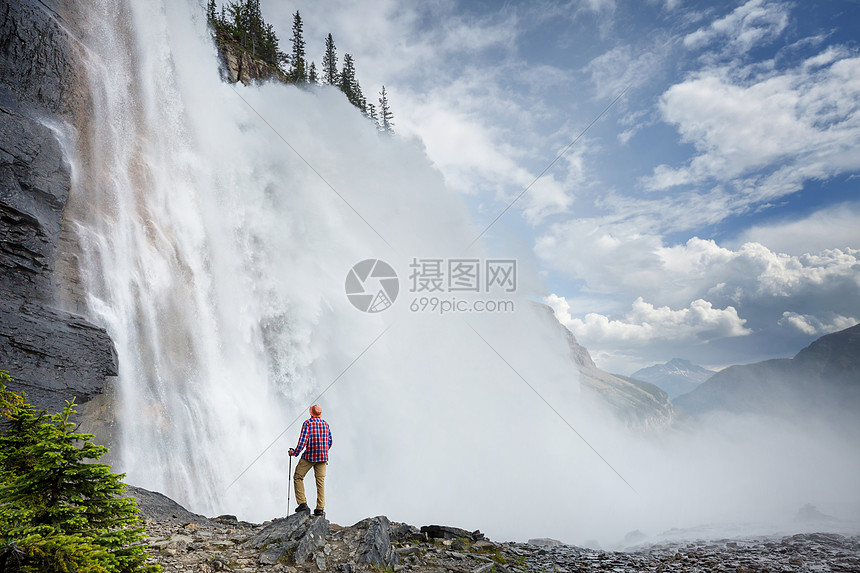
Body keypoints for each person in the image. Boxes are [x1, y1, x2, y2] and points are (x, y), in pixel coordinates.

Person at [289, 404, 332, 516]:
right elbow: (330, 441)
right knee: (320, 482)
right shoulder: (326, 424)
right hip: (322, 457)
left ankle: (302, 503)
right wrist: (323, 451)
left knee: (298, 477)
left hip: (309, 456)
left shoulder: (307, 424)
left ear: (311, 413)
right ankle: (320, 509)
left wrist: (294, 453)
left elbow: (302, 442)